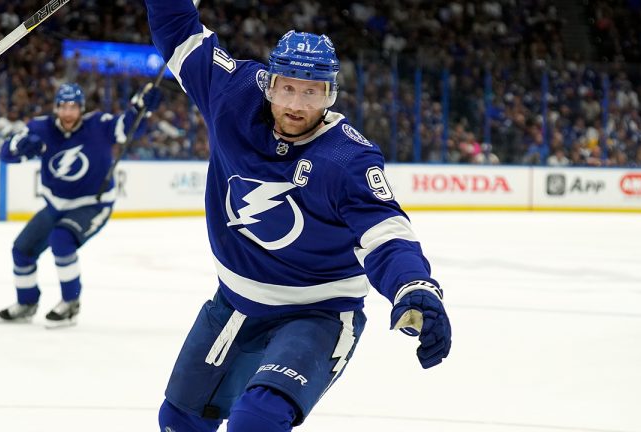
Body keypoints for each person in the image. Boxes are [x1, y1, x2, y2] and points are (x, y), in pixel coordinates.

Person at [143, 2, 452, 431]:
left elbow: (386, 235)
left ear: (330, 95)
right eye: (288, 88)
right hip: (233, 302)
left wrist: (414, 286)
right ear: (269, 85)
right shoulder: (232, 93)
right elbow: (178, 28)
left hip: (318, 311)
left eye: (312, 92)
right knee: (178, 420)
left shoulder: (347, 158)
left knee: (258, 420)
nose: (297, 104)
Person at [0, 82, 161, 328]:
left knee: (61, 240)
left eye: (73, 107)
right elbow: (5, 155)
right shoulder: (40, 128)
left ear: (82, 108)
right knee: (22, 250)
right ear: (56, 108)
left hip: (93, 204)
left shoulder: (99, 125)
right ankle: (27, 303)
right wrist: (15, 147)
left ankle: (70, 303)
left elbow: (129, 129)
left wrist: (141, 108)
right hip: (55, 205)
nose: (68, 112)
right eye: (63, 106)